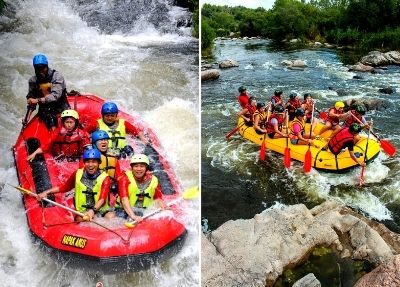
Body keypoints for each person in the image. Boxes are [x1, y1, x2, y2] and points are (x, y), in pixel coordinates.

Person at [37, 148, 115, 221]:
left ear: (98, 163)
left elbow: (102, 199)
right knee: (83, 220)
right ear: (84, 163)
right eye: (88, 162)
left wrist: (92, 211)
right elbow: (64, 188)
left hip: (101, 211)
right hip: (82, 212)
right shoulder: (77, 174)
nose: (90, 165)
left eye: (94, 162)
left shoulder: (105, 178)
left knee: (110, 217)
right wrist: (46, 192)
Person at [26, 53, 70, 130]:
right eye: (37, 68)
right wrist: (27, 118)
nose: (40, 71)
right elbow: (31, 101)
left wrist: (37, 100)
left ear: (47, 66)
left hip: (61, 108)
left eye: (42, 68)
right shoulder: (33, 81)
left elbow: (55, 95)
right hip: (45, 112)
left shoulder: (57, 76)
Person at [116, 154, 165, 222]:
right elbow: (124, 199)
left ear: (146, 168)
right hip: (123, 209)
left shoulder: (154, 180)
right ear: (132, 168)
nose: (139, 169)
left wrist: (162, 205)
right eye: (136, 166)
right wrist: (133, 216)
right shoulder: (124, 178)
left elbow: (158, 198)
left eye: (142, 166)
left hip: (145, 210)